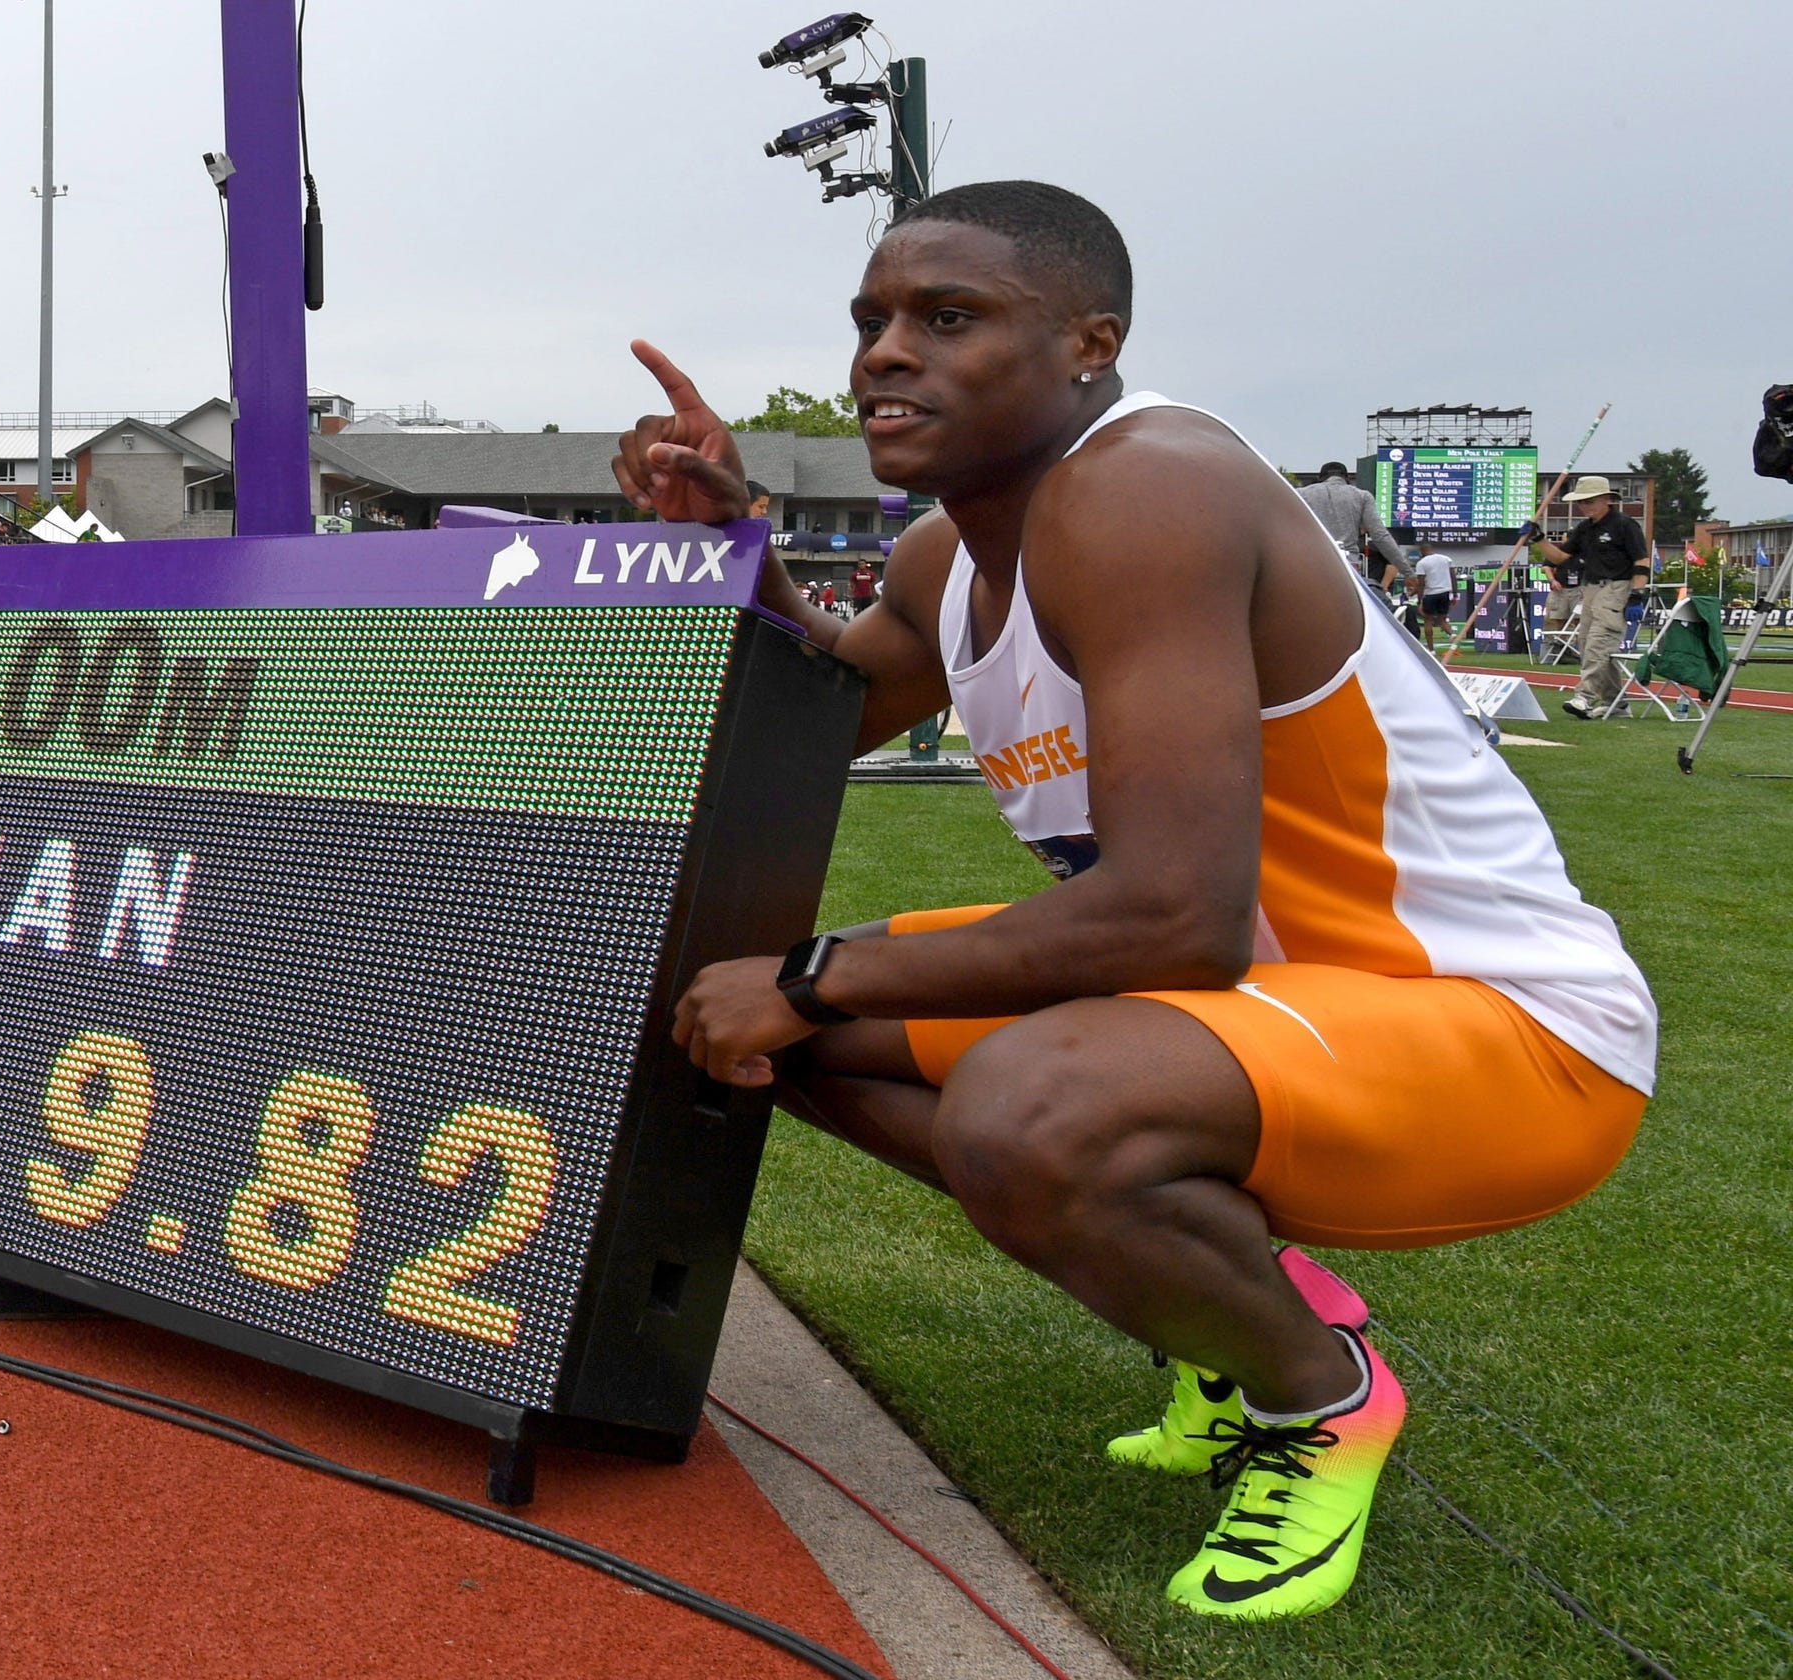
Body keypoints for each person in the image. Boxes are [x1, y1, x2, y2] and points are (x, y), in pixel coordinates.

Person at [618, 180, 1652, 1623]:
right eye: (873, 321)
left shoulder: (1148, 486)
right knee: (758, 1023)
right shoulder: (940, 559)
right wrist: (726, 548)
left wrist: (813, 973)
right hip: (1258, 1017)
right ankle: (1214, 1312)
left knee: (1015, 1097)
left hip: (1500, 1027)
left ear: (1090, 344)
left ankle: (1320, 1395)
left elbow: (1176, 920)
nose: (884, 355)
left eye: (949, 318)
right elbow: (812, 715)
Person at [1521, 476, 1650, 719]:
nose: (1584, 506)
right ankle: (1617, 704)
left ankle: (1584, 696)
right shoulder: (1584, 528)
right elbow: (1560, 558)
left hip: (1616, 587)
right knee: (1589, 645)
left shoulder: (1624, 525)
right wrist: (1538, 538)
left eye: (1589, 501)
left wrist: (1636, 594)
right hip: (1590, 589)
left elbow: (1641, 561)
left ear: (1606, 499)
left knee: (1599, 644)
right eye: (1581, 502)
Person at [1295, 461, 1409, 598]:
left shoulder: (1301, 494)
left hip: (1312, 565)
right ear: (1346, 479)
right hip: (1349, 567)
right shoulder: (1362, 496)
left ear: (1320, 479)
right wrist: (1408, 572)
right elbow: (1380, 536)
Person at [1411, 547, 1456, 648]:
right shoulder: (1446, 559)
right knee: (1442, 619)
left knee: (1428, 620)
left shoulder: (1422, 563)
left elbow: (1421, 583)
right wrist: (1455, 594)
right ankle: (1452, 634)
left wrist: (1419, 600)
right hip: (1444, 593)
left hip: (1430, 594)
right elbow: (1453, 577)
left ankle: (1431, 649)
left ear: (1421, 552)